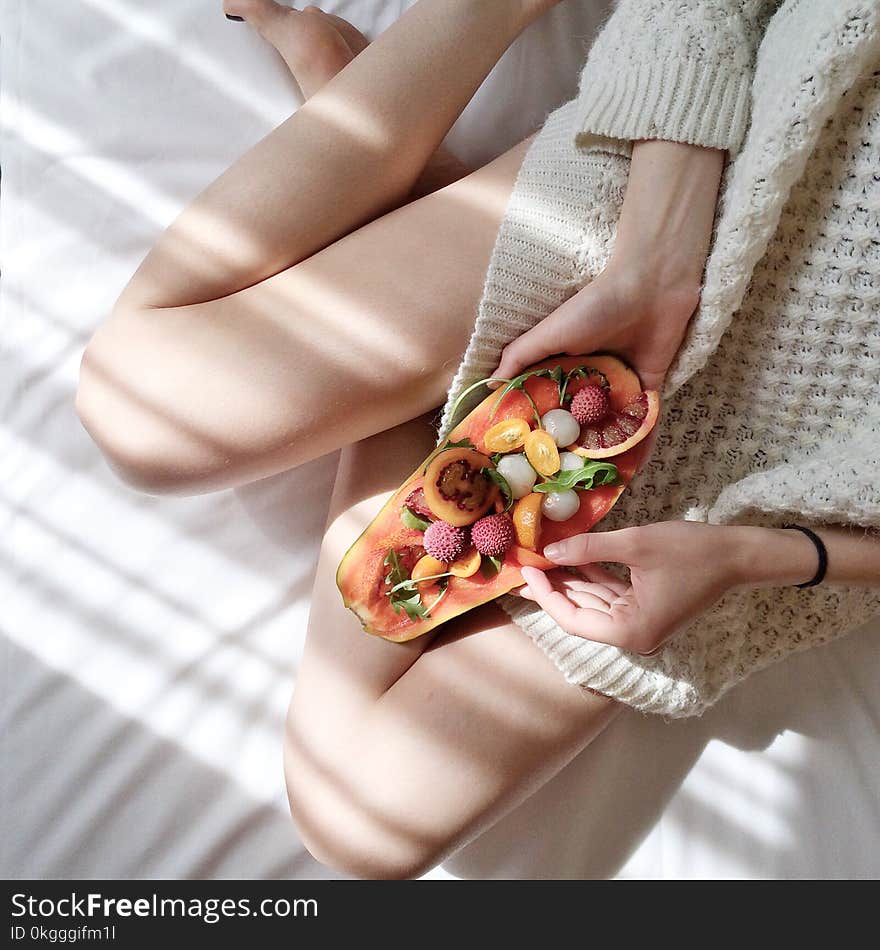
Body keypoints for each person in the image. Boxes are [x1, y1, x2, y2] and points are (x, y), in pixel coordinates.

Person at [75, 0, 880, 878]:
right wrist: (657, 263)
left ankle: (415, 311)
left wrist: (764, 556)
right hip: (681, 210)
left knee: (362, 830)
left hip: (764, 494)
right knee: (143, 420)